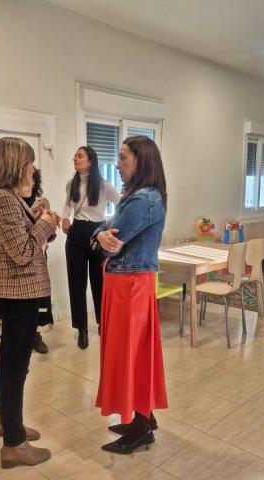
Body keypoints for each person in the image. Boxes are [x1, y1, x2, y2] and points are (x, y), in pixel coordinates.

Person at [0, 137, 59, 468]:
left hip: (15, 292)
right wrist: (45, 225)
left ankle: (6, 421)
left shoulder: (7, 198)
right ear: (14, 165)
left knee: (7, 360)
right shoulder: (3, 201)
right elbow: (24, 252)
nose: (33, 168)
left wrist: (37, 217)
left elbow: (22, 238)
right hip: (18, 292)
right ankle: (14, 443)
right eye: (29, 162)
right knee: (15, 367)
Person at [92, 136, 168, 454]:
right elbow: (104, 230)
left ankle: (140, 426)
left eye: (123, 158)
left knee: (130, 354)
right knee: (134, 352)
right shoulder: (141, 196)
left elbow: (113, 240)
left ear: (142, 160)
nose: (118, 164)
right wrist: (99, 233)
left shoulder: (142, 200)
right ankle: (142, 416)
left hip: (129, 285)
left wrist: (99, 235)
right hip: (129, 282)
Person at [0, 168, 55, 354]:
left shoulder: (42, 202)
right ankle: (9, 332)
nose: (29, 181)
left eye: (33, 178)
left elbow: (48, 233)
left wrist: (47, 225)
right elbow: (14, 240)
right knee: (9, 302)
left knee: (37, 299)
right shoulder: (8, 200)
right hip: (11, 261)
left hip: (37, 257)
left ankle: (35, 334)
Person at [62, 146, 120, 349]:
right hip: (76, 232)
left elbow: (121, 204)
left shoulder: (104, 185)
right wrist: (65, 218)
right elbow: (68, 204)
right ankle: (82, 329)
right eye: (74, 156)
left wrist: (110, 224)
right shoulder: (71, 183)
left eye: (79, 156)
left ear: (90, 162)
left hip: (98, 233)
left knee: (100, 282)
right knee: (76, 283)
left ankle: (103, 323)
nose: (75, 159)